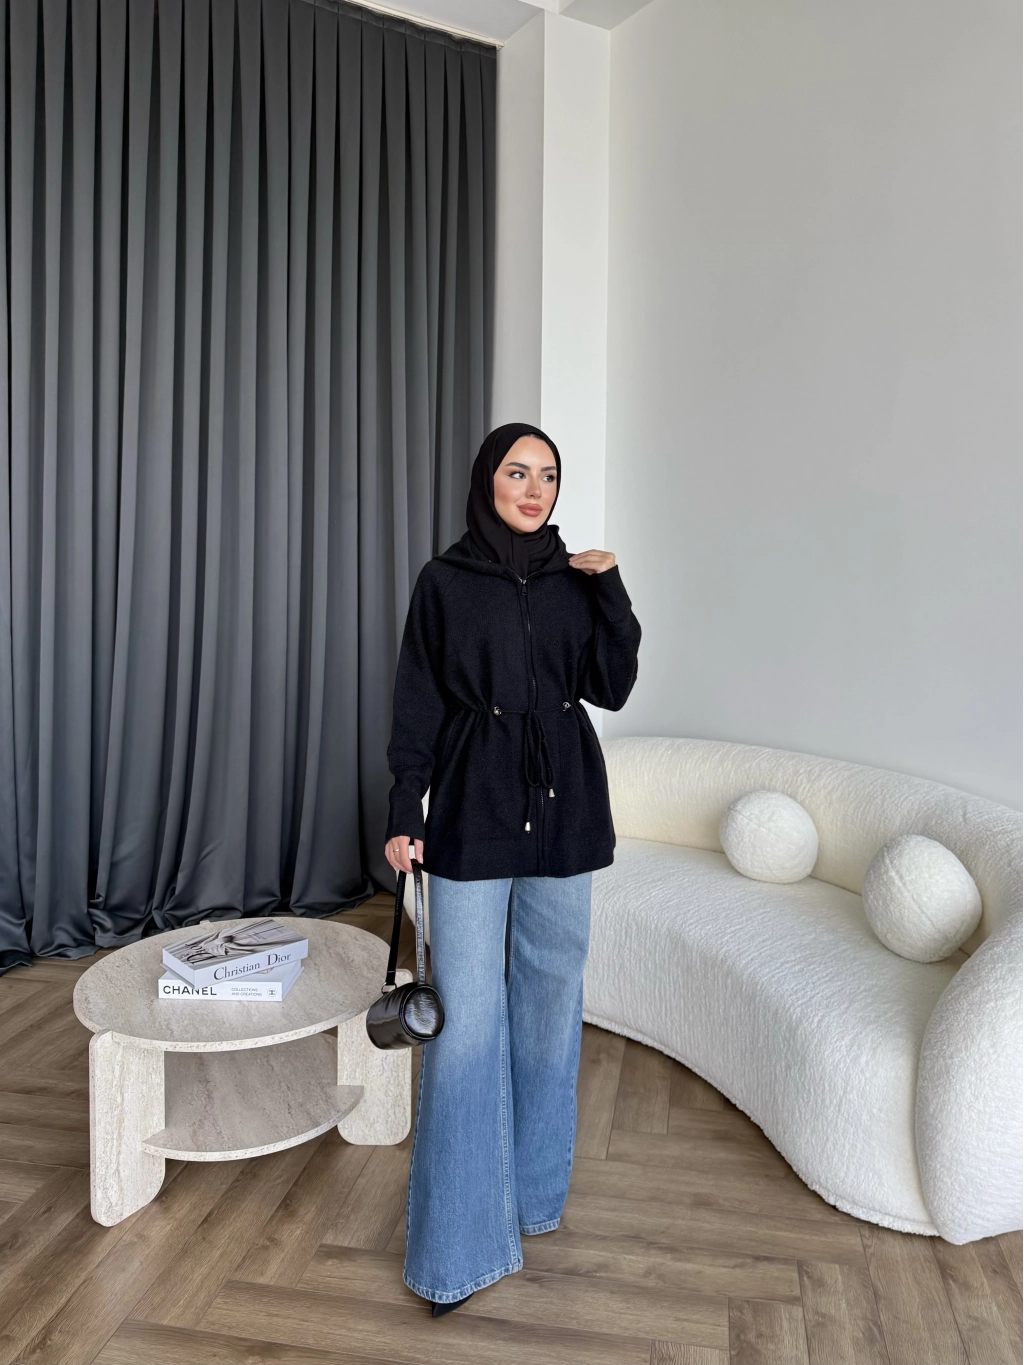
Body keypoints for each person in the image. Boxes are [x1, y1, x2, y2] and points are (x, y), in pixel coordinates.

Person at [383, 422, 642, 1316]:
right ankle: (455, 1250)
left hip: (567, 814)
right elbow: (417, 699)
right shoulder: (444, 581)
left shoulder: (579, 580)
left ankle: (533, 1201)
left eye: (549, 475)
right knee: (466, 1024)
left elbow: (612, 686)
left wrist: (612, 593)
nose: (535, 490)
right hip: (472, 809)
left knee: (548, 1013)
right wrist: (405, 807)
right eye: (518, 472)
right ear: (487, 480)